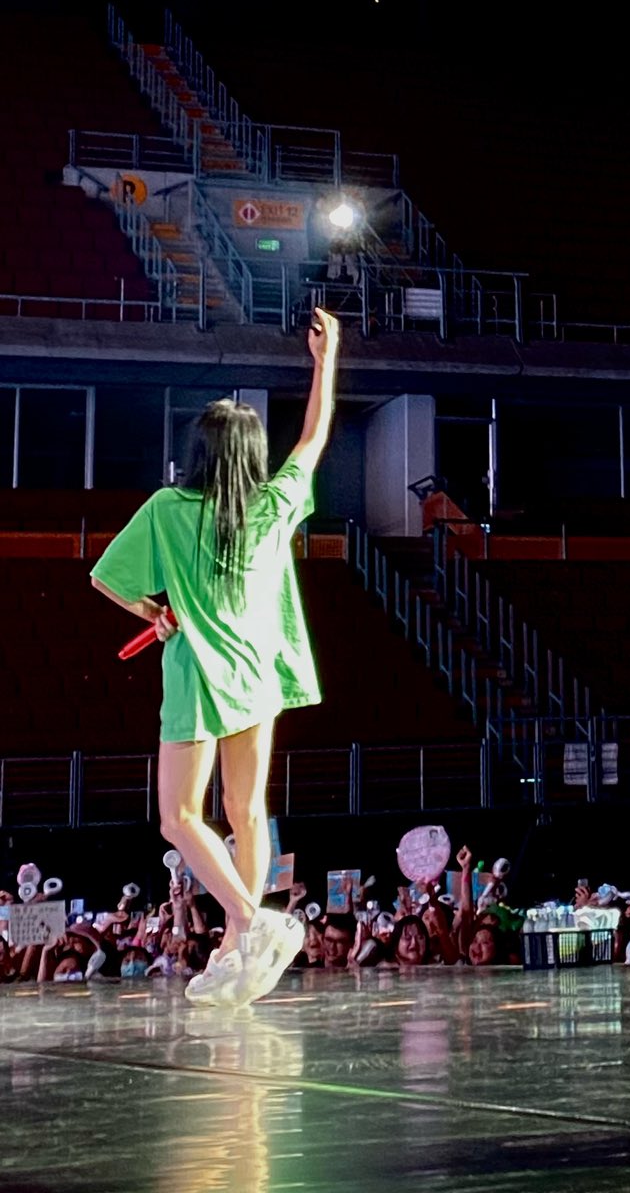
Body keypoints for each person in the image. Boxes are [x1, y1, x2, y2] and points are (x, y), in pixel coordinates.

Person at [90, 309, 342, 1007]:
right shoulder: (274, 504)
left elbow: (106, 579)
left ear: (199, 451)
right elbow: (314, 437)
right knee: (246, 811)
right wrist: (326, 360)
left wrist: (156, 613)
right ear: (252, 456)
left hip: (196, 674)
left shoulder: (167, 507)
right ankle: (236, 948)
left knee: (178, 817)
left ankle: (252, 924)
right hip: (256, 676)